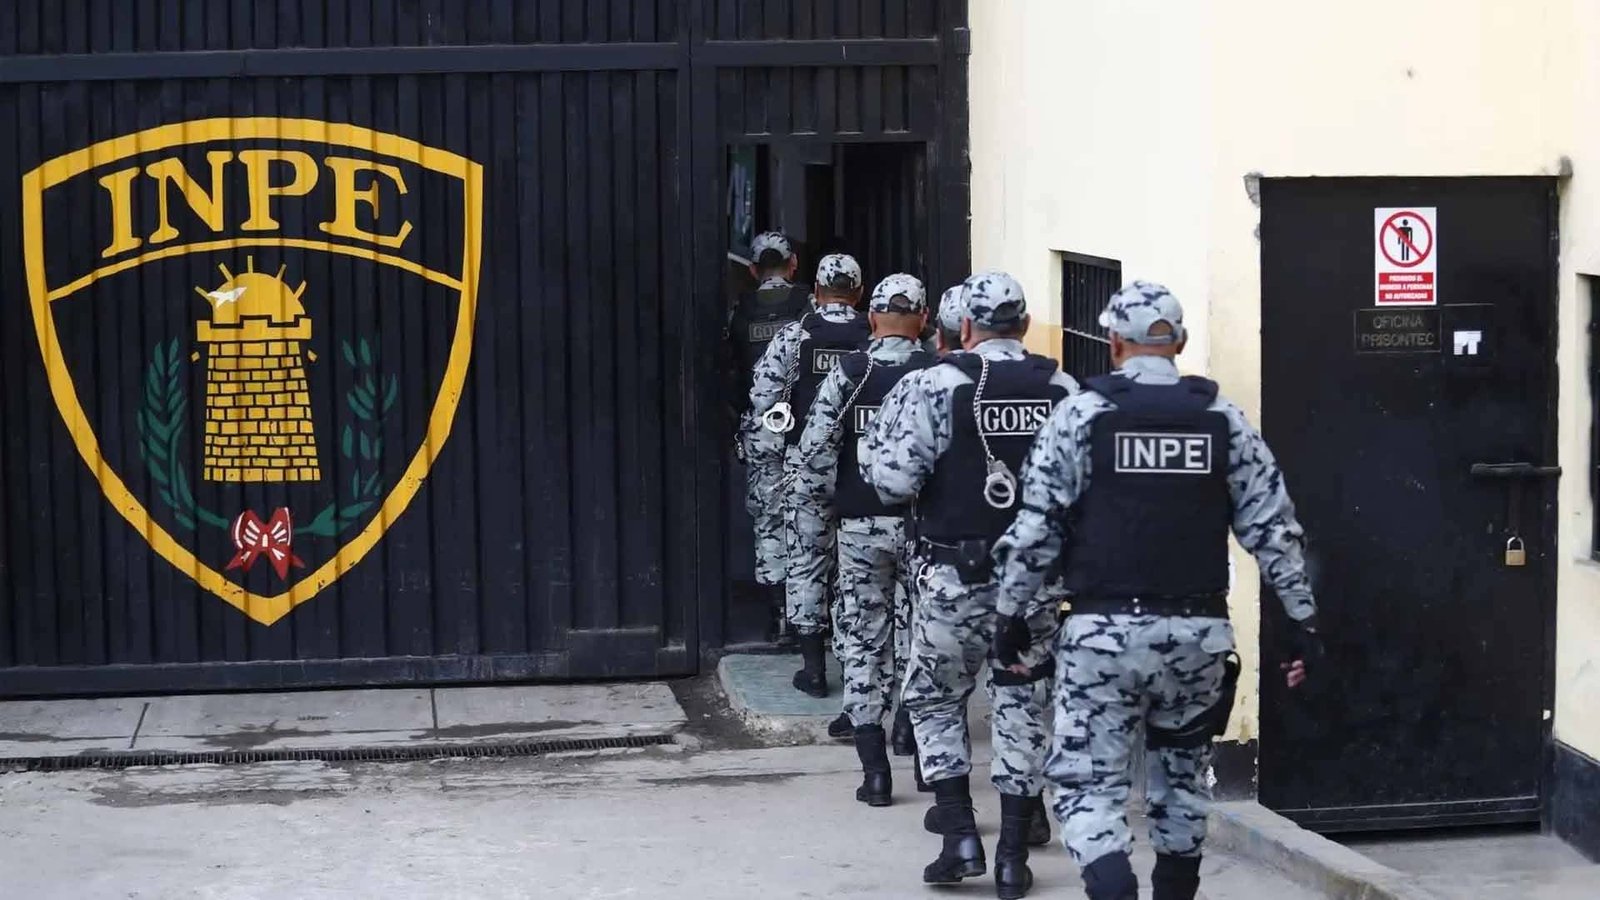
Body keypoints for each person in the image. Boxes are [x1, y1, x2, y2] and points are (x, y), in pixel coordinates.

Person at [989, 282, 1325, 900]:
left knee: (1088, 785)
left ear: (1114, 343)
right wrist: (1300, 621)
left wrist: (1009, 613)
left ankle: (1113, 887)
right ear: (1181, 344)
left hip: (1101, 638)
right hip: (1198, 638)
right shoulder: (1222, 419)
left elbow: (1037, 528)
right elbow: (1275, 530)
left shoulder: (1082, 415)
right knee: (1181, 784)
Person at [860, 271, 1075, 898]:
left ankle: (958, 836)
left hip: (955, 575)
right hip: (1036, 583)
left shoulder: (934, 384)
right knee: (1023, 701)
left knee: (934, 697)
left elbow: (892, 484)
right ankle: (1013, 856)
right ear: (1025, 325)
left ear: (966, 327)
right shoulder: (1062, 388)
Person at [788, 273, 936, 804]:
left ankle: (875, 774)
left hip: (859, 530)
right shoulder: (938, 376)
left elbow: (814, 456)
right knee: (921, 635)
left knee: (862, 639)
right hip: (922, 531)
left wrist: (828, 510)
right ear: (924, 320)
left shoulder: (851, 372)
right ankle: (917, 742)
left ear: (872, 319)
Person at [745, 253, 871, 697]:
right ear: (859, 292)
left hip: (809, 468)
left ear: (815, 291)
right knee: (860, 568)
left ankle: (814, 671)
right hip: (865, 473)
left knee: (807, 563)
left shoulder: (793, 337)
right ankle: (860, 668)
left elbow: (763, 403)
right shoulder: (874, 338)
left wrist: (771, 464)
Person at [726, 232, 812, 606]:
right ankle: (807, 609)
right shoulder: (809, 306)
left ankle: (779, 611)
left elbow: (729, 371)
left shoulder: (740, 310)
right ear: (793, 264)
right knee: (810, 513)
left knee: (769, 518)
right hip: (806, 425)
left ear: (753, 269)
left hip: (761, 426)